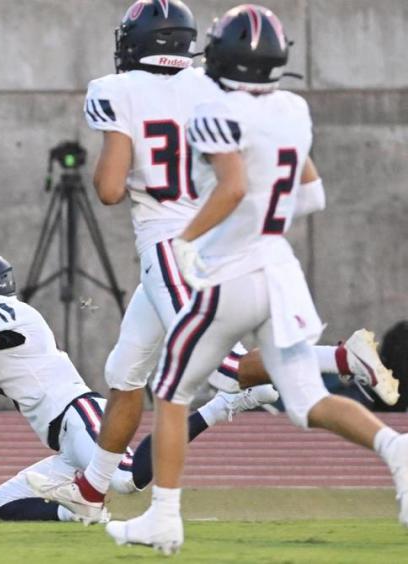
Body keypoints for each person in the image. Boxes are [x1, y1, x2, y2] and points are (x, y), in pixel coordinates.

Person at [49, 0, 398, 518]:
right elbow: (298, 182)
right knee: (125, 370)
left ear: (137, 41)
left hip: (176, 244)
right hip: (213, 238)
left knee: (227, 372)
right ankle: (92, 491)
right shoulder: (218, 88)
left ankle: (341, 359)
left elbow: (106, 189)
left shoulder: (114, 90)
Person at [0, 249, 277, 522]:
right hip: (63, 441)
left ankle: (223, 404)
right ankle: (82, 516)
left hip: (77, 414)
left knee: (126, 481)